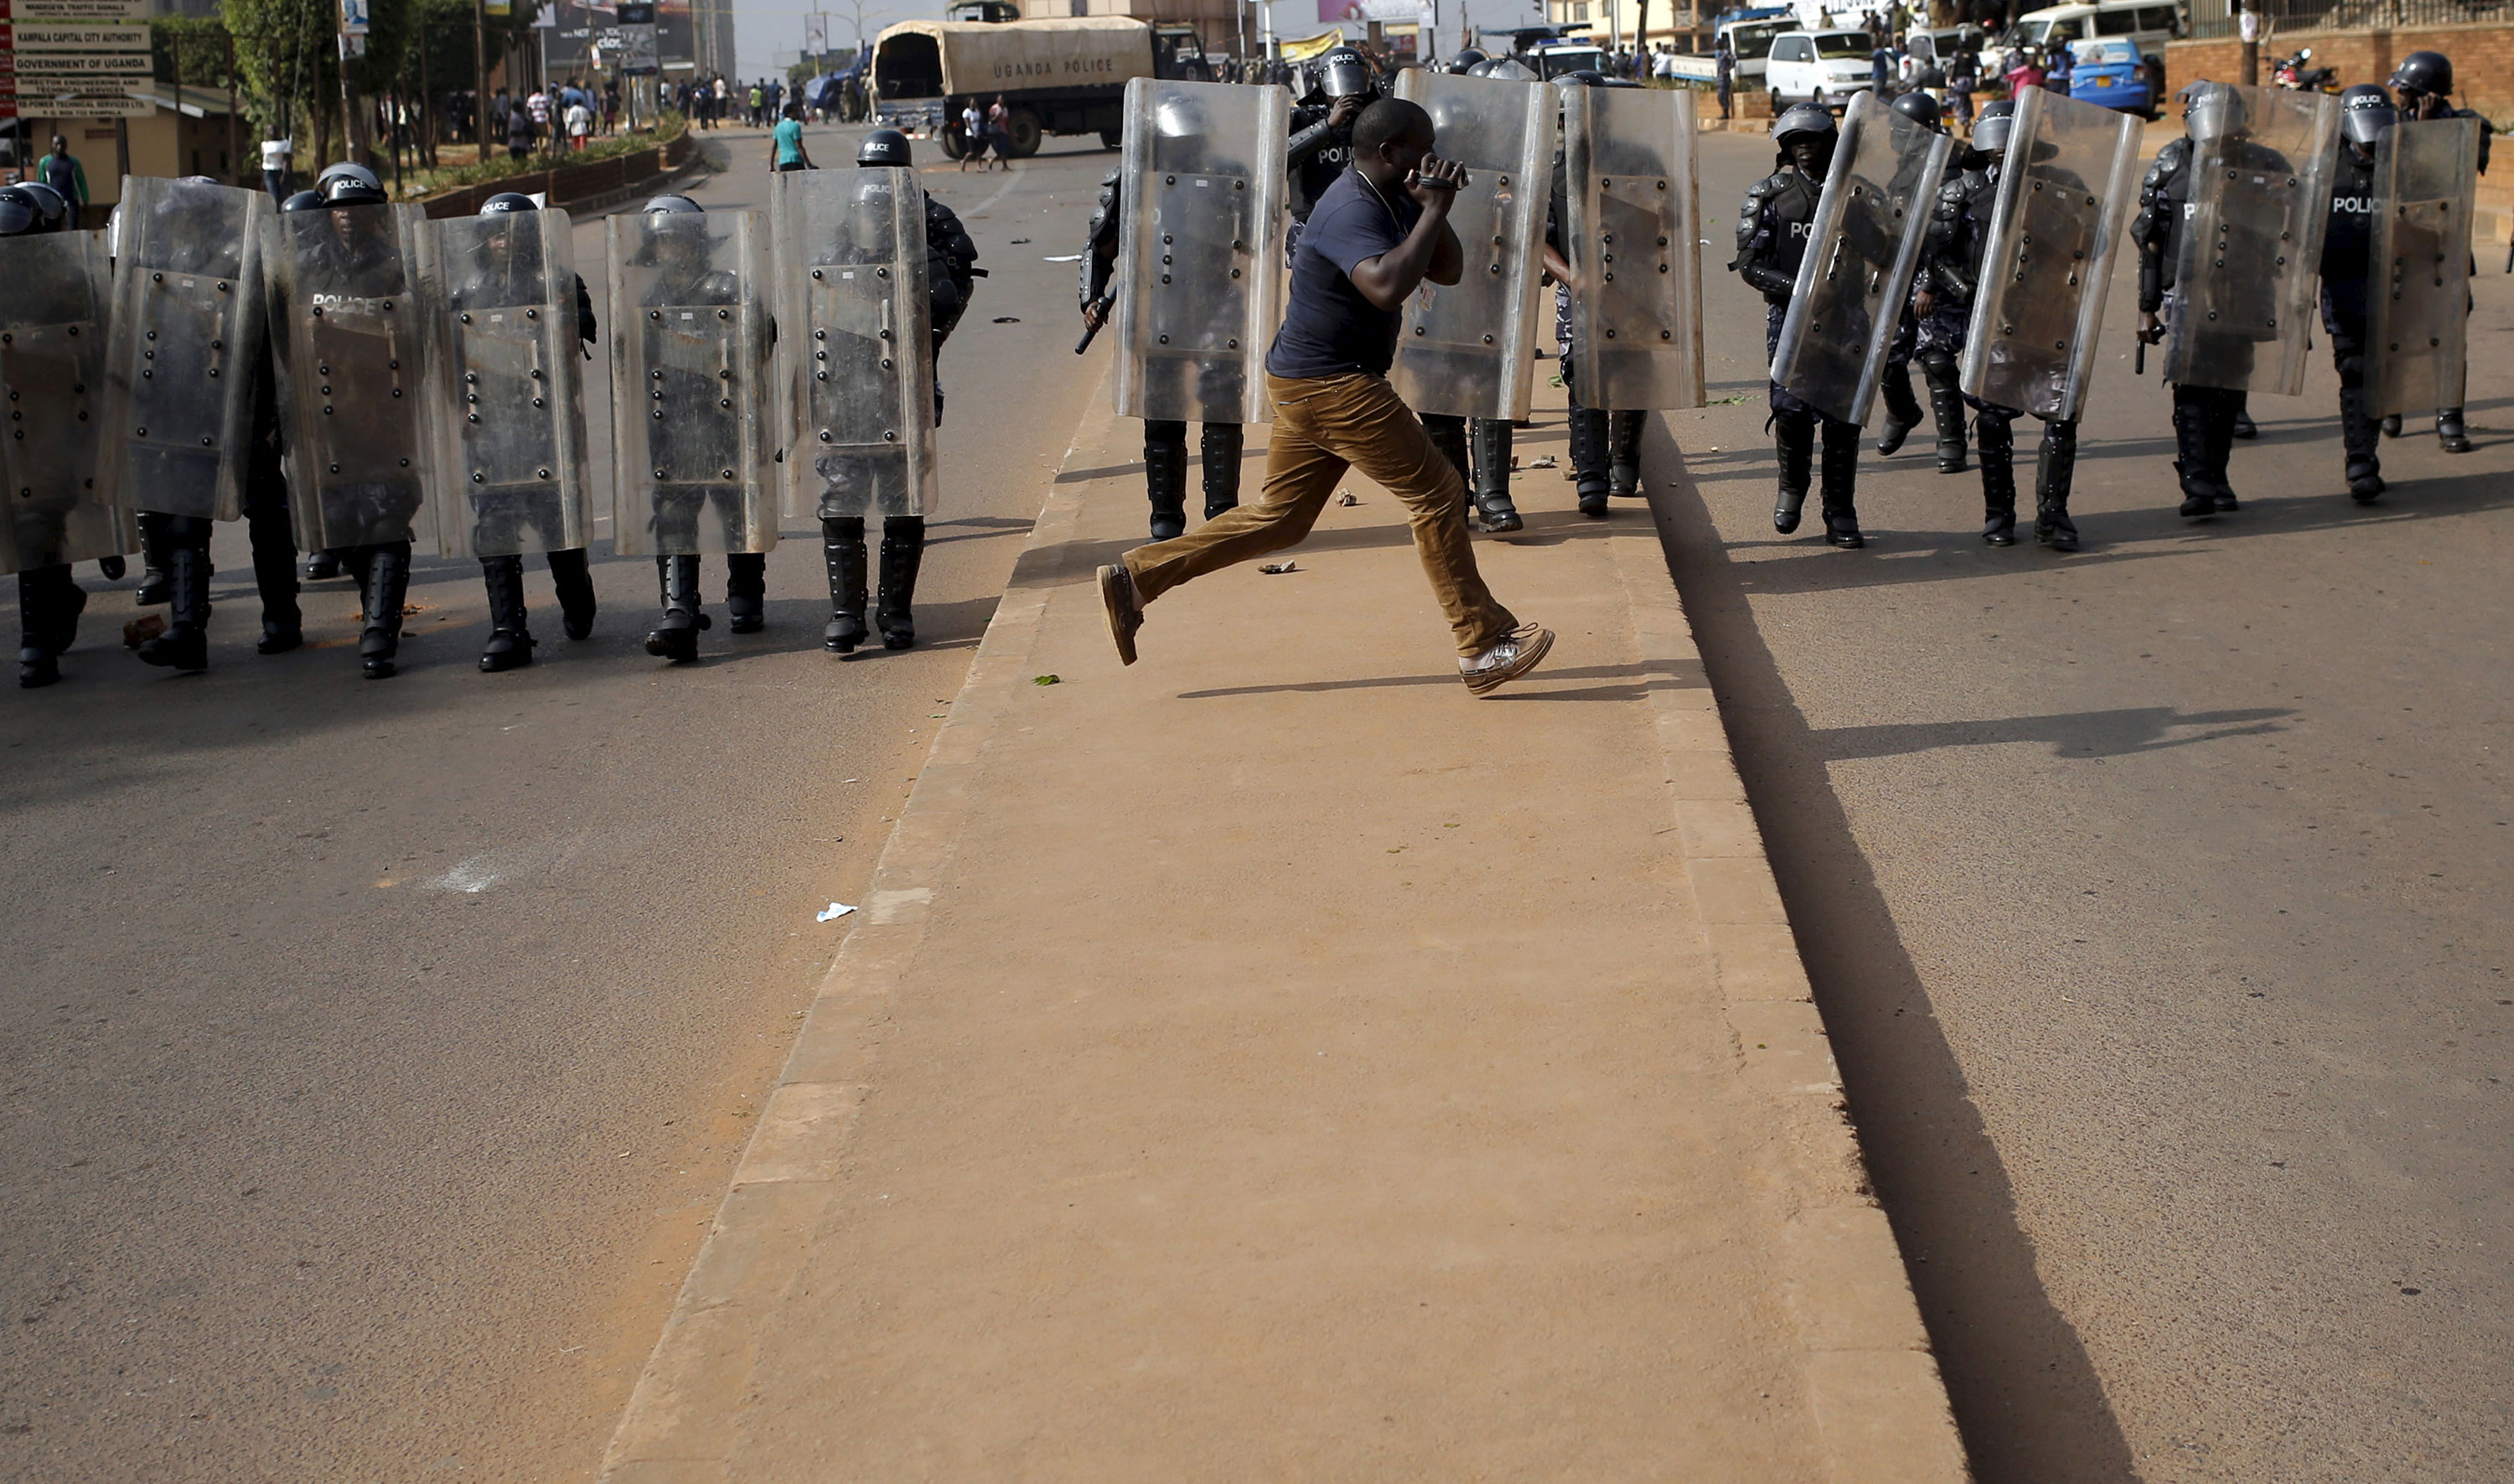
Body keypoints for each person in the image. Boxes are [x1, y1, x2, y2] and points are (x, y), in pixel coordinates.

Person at [1094, 97, 1552, 695]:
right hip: (1334, 383)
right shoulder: (1349, 208)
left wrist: (1436, 208)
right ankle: (1481, 645)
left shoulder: (1388, 195)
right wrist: (1433, 207)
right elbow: (1387, 286)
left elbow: (1447, 270)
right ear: (1388, 152)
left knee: (1281, 520)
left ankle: (1135, 578)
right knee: (1439, 493)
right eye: (1423, 148)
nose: (1435, 158)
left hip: (1310, 379)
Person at [808, 129, 975, 653]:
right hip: (846, 392)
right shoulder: (838, 239)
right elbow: (814, 299)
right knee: (841, 498)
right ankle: (845, 612)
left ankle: (896, 612)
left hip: (905, 383)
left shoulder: (925, 237)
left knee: (904, 500)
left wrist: (922, 337)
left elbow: (952, 290)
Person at [438, 192, 601, 670]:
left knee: (557, 527)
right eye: (493, 231)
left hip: (546, 425)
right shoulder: (466, 293)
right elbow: (446, 358)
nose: (502, 239)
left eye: (512, 230)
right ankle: (509, 628)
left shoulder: (559, 281)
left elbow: (583, 329)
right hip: (490, 428)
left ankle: (577, 599)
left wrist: (555, 317)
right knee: (495, 528)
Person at [1916, 101, 2081, 548]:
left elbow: (2091, 243)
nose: (2003, 153)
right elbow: (1938, 253)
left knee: (2060, 416)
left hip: (2048, 317)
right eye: (1996, 146)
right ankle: (1999, 516)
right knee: (1991, 418)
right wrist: (1970, 293)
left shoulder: (2062, 188)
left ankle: (2054, 515)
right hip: (1992, 322)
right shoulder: (1963, 192)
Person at [2134, 81, 2284, 520]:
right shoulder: (2171, 165)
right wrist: (2145, 306)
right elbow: (2151, 242)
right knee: (2192, 384)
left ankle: (2218, 476)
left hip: (2243, 289)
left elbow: (2292, 228)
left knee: (2229, 389)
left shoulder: (2264, 164)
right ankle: (2196, 479)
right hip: (2185, 291)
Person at [1735, 105, 1868, 547]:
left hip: (1847, 319)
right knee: (1791, 410)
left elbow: (1887, 251)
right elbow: (1751, 264)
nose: (1807, 150)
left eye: (1815, 141)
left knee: (1842, 417)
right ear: (1787, 147)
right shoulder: (1771, 196)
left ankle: (1840, 510)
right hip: (1791, 317)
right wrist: (1802, 289)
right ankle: (1792, 488)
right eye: (1798, 142)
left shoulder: (1855, 195)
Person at [2386, 48, 2489, 452]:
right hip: (2401, 244)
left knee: (2448, 336)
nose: (2398, 97)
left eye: (2406, 90)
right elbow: (2393, 176)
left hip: (2445, 247)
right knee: (2397, 330)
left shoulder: (2465, 129)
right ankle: (2391, 402)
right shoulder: (2390, 124)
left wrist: (2427, 131)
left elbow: (2456, 176)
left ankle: (2449, 415)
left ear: (2427, 94)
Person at [2320, 85, 2396, 502]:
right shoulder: (2327, 171)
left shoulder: (2405, 168)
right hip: (2342, 288)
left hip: (2392, 290)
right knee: (2354, 368)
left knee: (2380, 374)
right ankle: (2360, 461)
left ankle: (2367, 451)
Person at [39, 137, 87, 216]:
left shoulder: (73, 162)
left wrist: (85, 200)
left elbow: (81, 182)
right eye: (57, 144)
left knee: (72, 227)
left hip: (71, 199)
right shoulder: (45, 162)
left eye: (62, 144)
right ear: (52, 145)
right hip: (53, 200)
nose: (60, 147)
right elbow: (42, 182)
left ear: (66, 146)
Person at [769, 101, 811, 171]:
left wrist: (771, 165)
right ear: (790, 113)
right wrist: (808, 164)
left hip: (783, 161)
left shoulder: (778, 127)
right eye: (796, 112)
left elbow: (774, 148)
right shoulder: (795, 126)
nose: (798, 114)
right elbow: (799, 146)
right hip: (796, 160)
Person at [960, 98, 989, 171]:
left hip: (978, 133)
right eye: (973, 102)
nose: (974, 104)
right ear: (970, 103)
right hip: (970, 134)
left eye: (975, 102)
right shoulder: (967, 112)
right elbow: (968, 124)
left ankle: (979, 167)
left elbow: (980, 121)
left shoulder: (977, 111)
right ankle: (963, 161)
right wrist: (973, 134)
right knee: (972, 152)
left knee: (979, 151)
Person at [261, 135, 292, 201]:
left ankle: (281, 210)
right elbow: (264, 161)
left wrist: (283, 175)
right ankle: (276, 210)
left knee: (282, 196)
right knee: (274, 196)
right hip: (269, 172)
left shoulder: (284, 143)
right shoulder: (264, 144)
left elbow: (286, 159)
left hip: (280, 171)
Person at [1716, 35, 1736, 119]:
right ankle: (1724, 112)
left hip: (1725, 78)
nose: (1716, 46)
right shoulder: (1719, 54)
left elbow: (1733, 60)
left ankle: (1726, 113)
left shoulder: (1726, 53)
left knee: (1723, 96)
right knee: (1720, 96)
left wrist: (1728, 69)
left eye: (1717, 44)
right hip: (1720, 78)